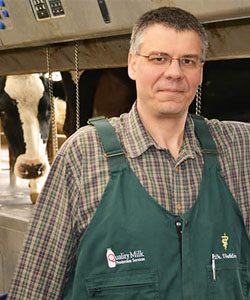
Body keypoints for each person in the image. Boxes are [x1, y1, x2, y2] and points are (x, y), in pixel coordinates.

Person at [8, 6, 250, 299]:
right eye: (158, 58)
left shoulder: (237, 148)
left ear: (200, 71)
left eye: (188, 60)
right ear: (132, 64)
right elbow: (36, 285)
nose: (174, 72)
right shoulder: (85, 155)